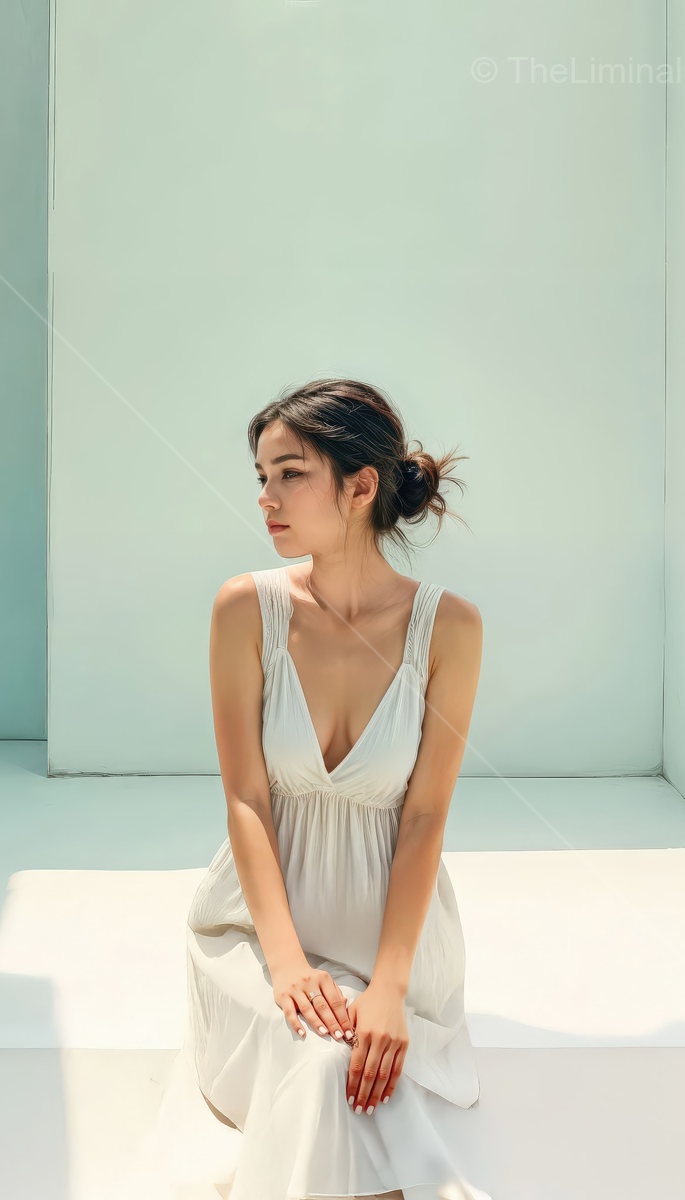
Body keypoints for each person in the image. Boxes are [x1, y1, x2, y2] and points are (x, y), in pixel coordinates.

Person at [128, 379, 493, 1200]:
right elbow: (247, 800)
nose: (266, 497)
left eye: (290, 474)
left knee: (355, 1065)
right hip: (256, 934)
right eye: (262, 476)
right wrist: (287, 966)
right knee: (328, 1064)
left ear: (361, 487)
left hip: (390, 941)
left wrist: (389, 989)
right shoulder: (244, 610)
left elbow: (425, 816)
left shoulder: (451, 629)